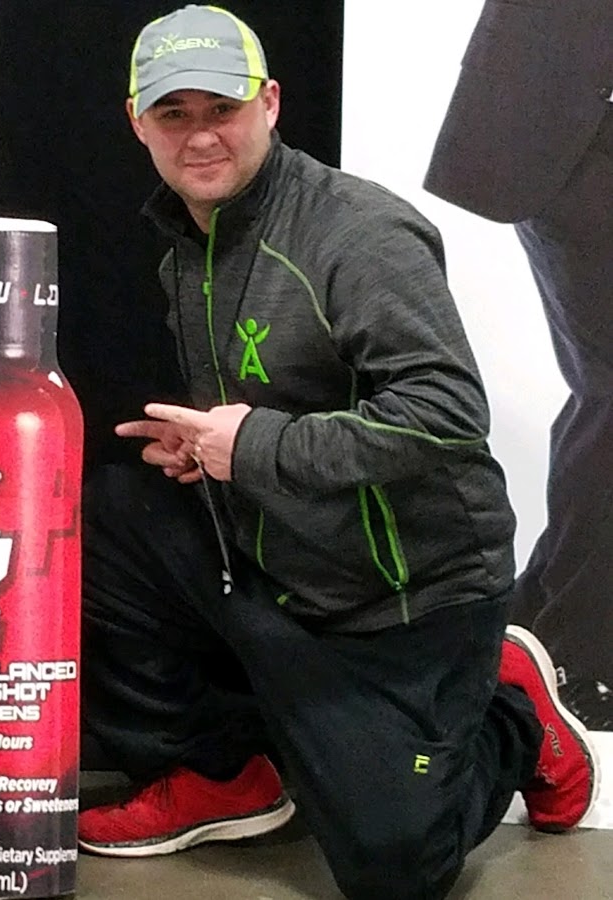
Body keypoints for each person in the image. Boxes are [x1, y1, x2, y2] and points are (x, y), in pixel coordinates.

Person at [78, 6, 599, 898]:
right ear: (138, 122)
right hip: (284, 566)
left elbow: (446, 413)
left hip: (407, 599)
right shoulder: (188, 246)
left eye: (222, 108)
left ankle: (512, 710)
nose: (200, 135)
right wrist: (212, 450)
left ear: (271, 104)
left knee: (394, 870)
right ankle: (224, 770)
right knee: (102, 517)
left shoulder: (358, 234)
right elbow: (281, 406)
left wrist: (256, 446)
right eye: (174, 113)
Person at [424, 0, 613, 731]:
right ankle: (576, 654)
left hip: (574, 118)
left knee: (603, 393)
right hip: (571, 121)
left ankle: (535, 625)